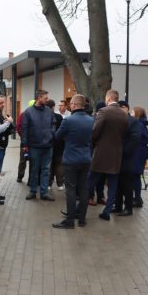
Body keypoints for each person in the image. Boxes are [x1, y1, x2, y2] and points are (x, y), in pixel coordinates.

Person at [52, 95, 93, 229]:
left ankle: (69, 221)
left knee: (70, 189)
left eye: (70, 104)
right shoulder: (90, 120)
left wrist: (66, 138)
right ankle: (82, 219)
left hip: (71, 159)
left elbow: (57, 137)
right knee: (83, 189)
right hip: (85, 158)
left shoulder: (68, 121)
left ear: (74, 105)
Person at [90, 90, 128, 220]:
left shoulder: (104, 111)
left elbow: (95, 131)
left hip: (101, 152)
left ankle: (79, 209)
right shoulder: (124, 115)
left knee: (91, 180)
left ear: (109, 98)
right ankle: (107, 211)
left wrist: (94, 142)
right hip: (116, 153)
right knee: (113, 184)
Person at [21, 89, 55, 201]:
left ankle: (44, 193)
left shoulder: (49, 111)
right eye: (45, 98)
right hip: (34, 146)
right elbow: (24, 129)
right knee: (34, 169)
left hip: (48, 146)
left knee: (46, 170)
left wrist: (52, 134)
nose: (47, 100)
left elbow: (53, 124)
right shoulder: (28, 112)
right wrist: (24, 145)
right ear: (39, 98)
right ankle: (33, 191)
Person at [112, 100, 140, 216]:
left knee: (127, 185)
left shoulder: (133, 121)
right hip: (116, 158)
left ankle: (128, 208)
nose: (120, 109)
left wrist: (124, 152)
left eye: (122, 107)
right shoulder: (116, 120)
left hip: (127, 158)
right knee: (117, 184)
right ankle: (118, 206)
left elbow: (135, 139)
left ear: (127, 108)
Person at [130, 106, 148, 207]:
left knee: (135, 176)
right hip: (140, 154)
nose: (131, 114)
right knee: (136, 176)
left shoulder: (139, 124)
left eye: (132, 112)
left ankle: (137, 198)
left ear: (137, 114)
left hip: (137, 154)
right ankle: (137, 198)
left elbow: (136, 139)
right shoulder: (142, 124)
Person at [46, 99, 65, 191]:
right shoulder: (59, 117)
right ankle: (60, 184)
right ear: (53, 107)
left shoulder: (45, 117)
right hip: (59, 145)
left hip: (48, 144)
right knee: (59, 164)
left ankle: (49, 184)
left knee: (49, 164)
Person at [16, 99, 36, 183]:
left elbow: (19, 127)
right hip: (27, 143)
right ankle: (21, 177)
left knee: (27, 160)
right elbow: (19, 127)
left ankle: (27, 178)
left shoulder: (24, 114)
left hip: (30, 143)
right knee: (25, 160)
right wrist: (24, 137)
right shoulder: (24, 115)